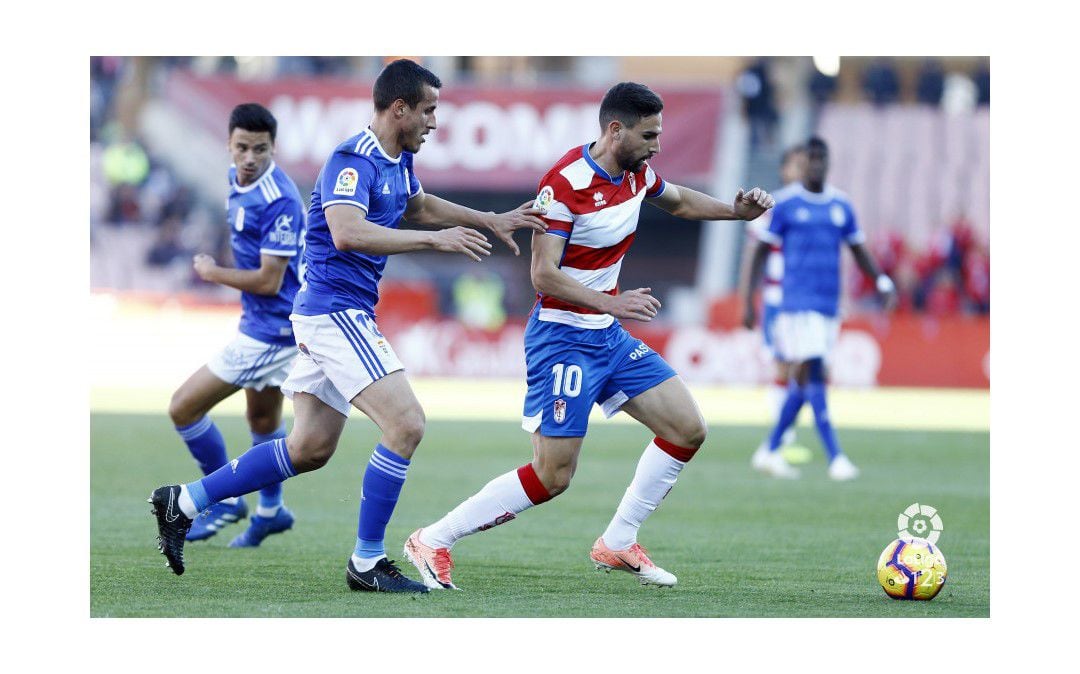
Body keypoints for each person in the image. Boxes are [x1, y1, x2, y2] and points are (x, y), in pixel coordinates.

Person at [150, 59, 547, 592]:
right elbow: (346, 232)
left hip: (332, 313)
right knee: (406, 424)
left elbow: (418, 205)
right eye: (428, 111)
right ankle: (366, 562)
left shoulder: (397, 160)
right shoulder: (350, 160)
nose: (434, 122)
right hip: (336, 311)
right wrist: (434, 242)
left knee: (309, 448)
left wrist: (484, 219)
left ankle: (184, 501)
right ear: (399, 108)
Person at [401, 82, 774, 590]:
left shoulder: (637, 170)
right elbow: (543, 275)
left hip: (607, 335)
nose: (657, 146)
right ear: (615, 129)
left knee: (687, 428)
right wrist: (611, 302)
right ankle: (433, 539)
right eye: (649, 135)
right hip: (563, 338)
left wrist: (736, 212)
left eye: (660, 135)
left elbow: (680, 201)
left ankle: (618, 540)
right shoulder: (565, 183)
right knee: (553, 475)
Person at [166, 103, 305, 547]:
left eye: (260, 150)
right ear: (228, 144)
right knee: (263, 418)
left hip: (271, 330)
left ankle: (222, 501)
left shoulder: (280, 200)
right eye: (242, 148)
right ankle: (271, 510)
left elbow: (269, 279)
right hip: (264, 323)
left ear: (273, 148)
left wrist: (213, 273)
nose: (249, 158)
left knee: (183, 407)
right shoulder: (234, 179)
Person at [743, 136, 897, 481]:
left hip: (829, 305)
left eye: (820, 159)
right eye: (810, 159)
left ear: (827, 162)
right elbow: (760, 252)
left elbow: (858, 249)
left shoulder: (841, 205)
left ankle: (769, 448)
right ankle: (836, 457)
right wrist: (748, 302)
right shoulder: (784, 204)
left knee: (804, 378)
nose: (815, 165)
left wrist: (882, 281)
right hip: (797, 303)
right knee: (813, 372)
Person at [741, 145, 808, 475]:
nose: (802, 171)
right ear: (784, 171)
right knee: (786, 369)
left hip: (808, 302)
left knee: (803, 371)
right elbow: (753, 256)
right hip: (780, 302)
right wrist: (747, 302)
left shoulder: (813, 208)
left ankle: (781, 440)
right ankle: (776, 445)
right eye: (796, 165)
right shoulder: (773, 210)